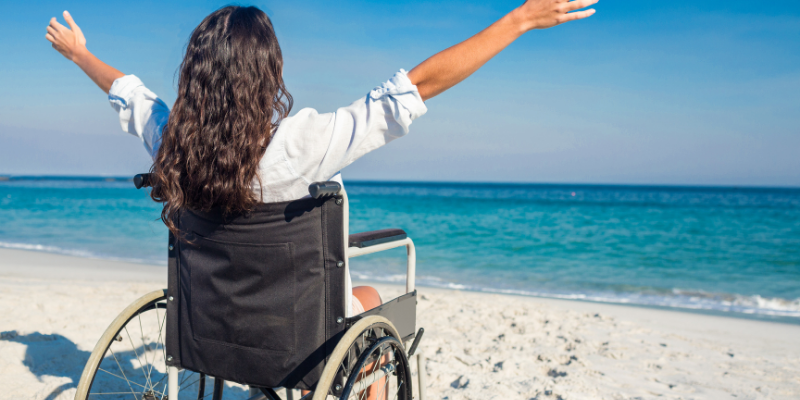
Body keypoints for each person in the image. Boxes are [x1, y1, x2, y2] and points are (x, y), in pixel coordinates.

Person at [46, 1, 595, 398]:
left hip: (210, 335)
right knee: (373, 294)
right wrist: (517, 20)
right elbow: (416, 88)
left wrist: (80, 55)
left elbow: (129, 93)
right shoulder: (301, 144)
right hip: (296, 343)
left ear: (196, 75)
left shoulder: (174, 145)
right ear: (268, 75)